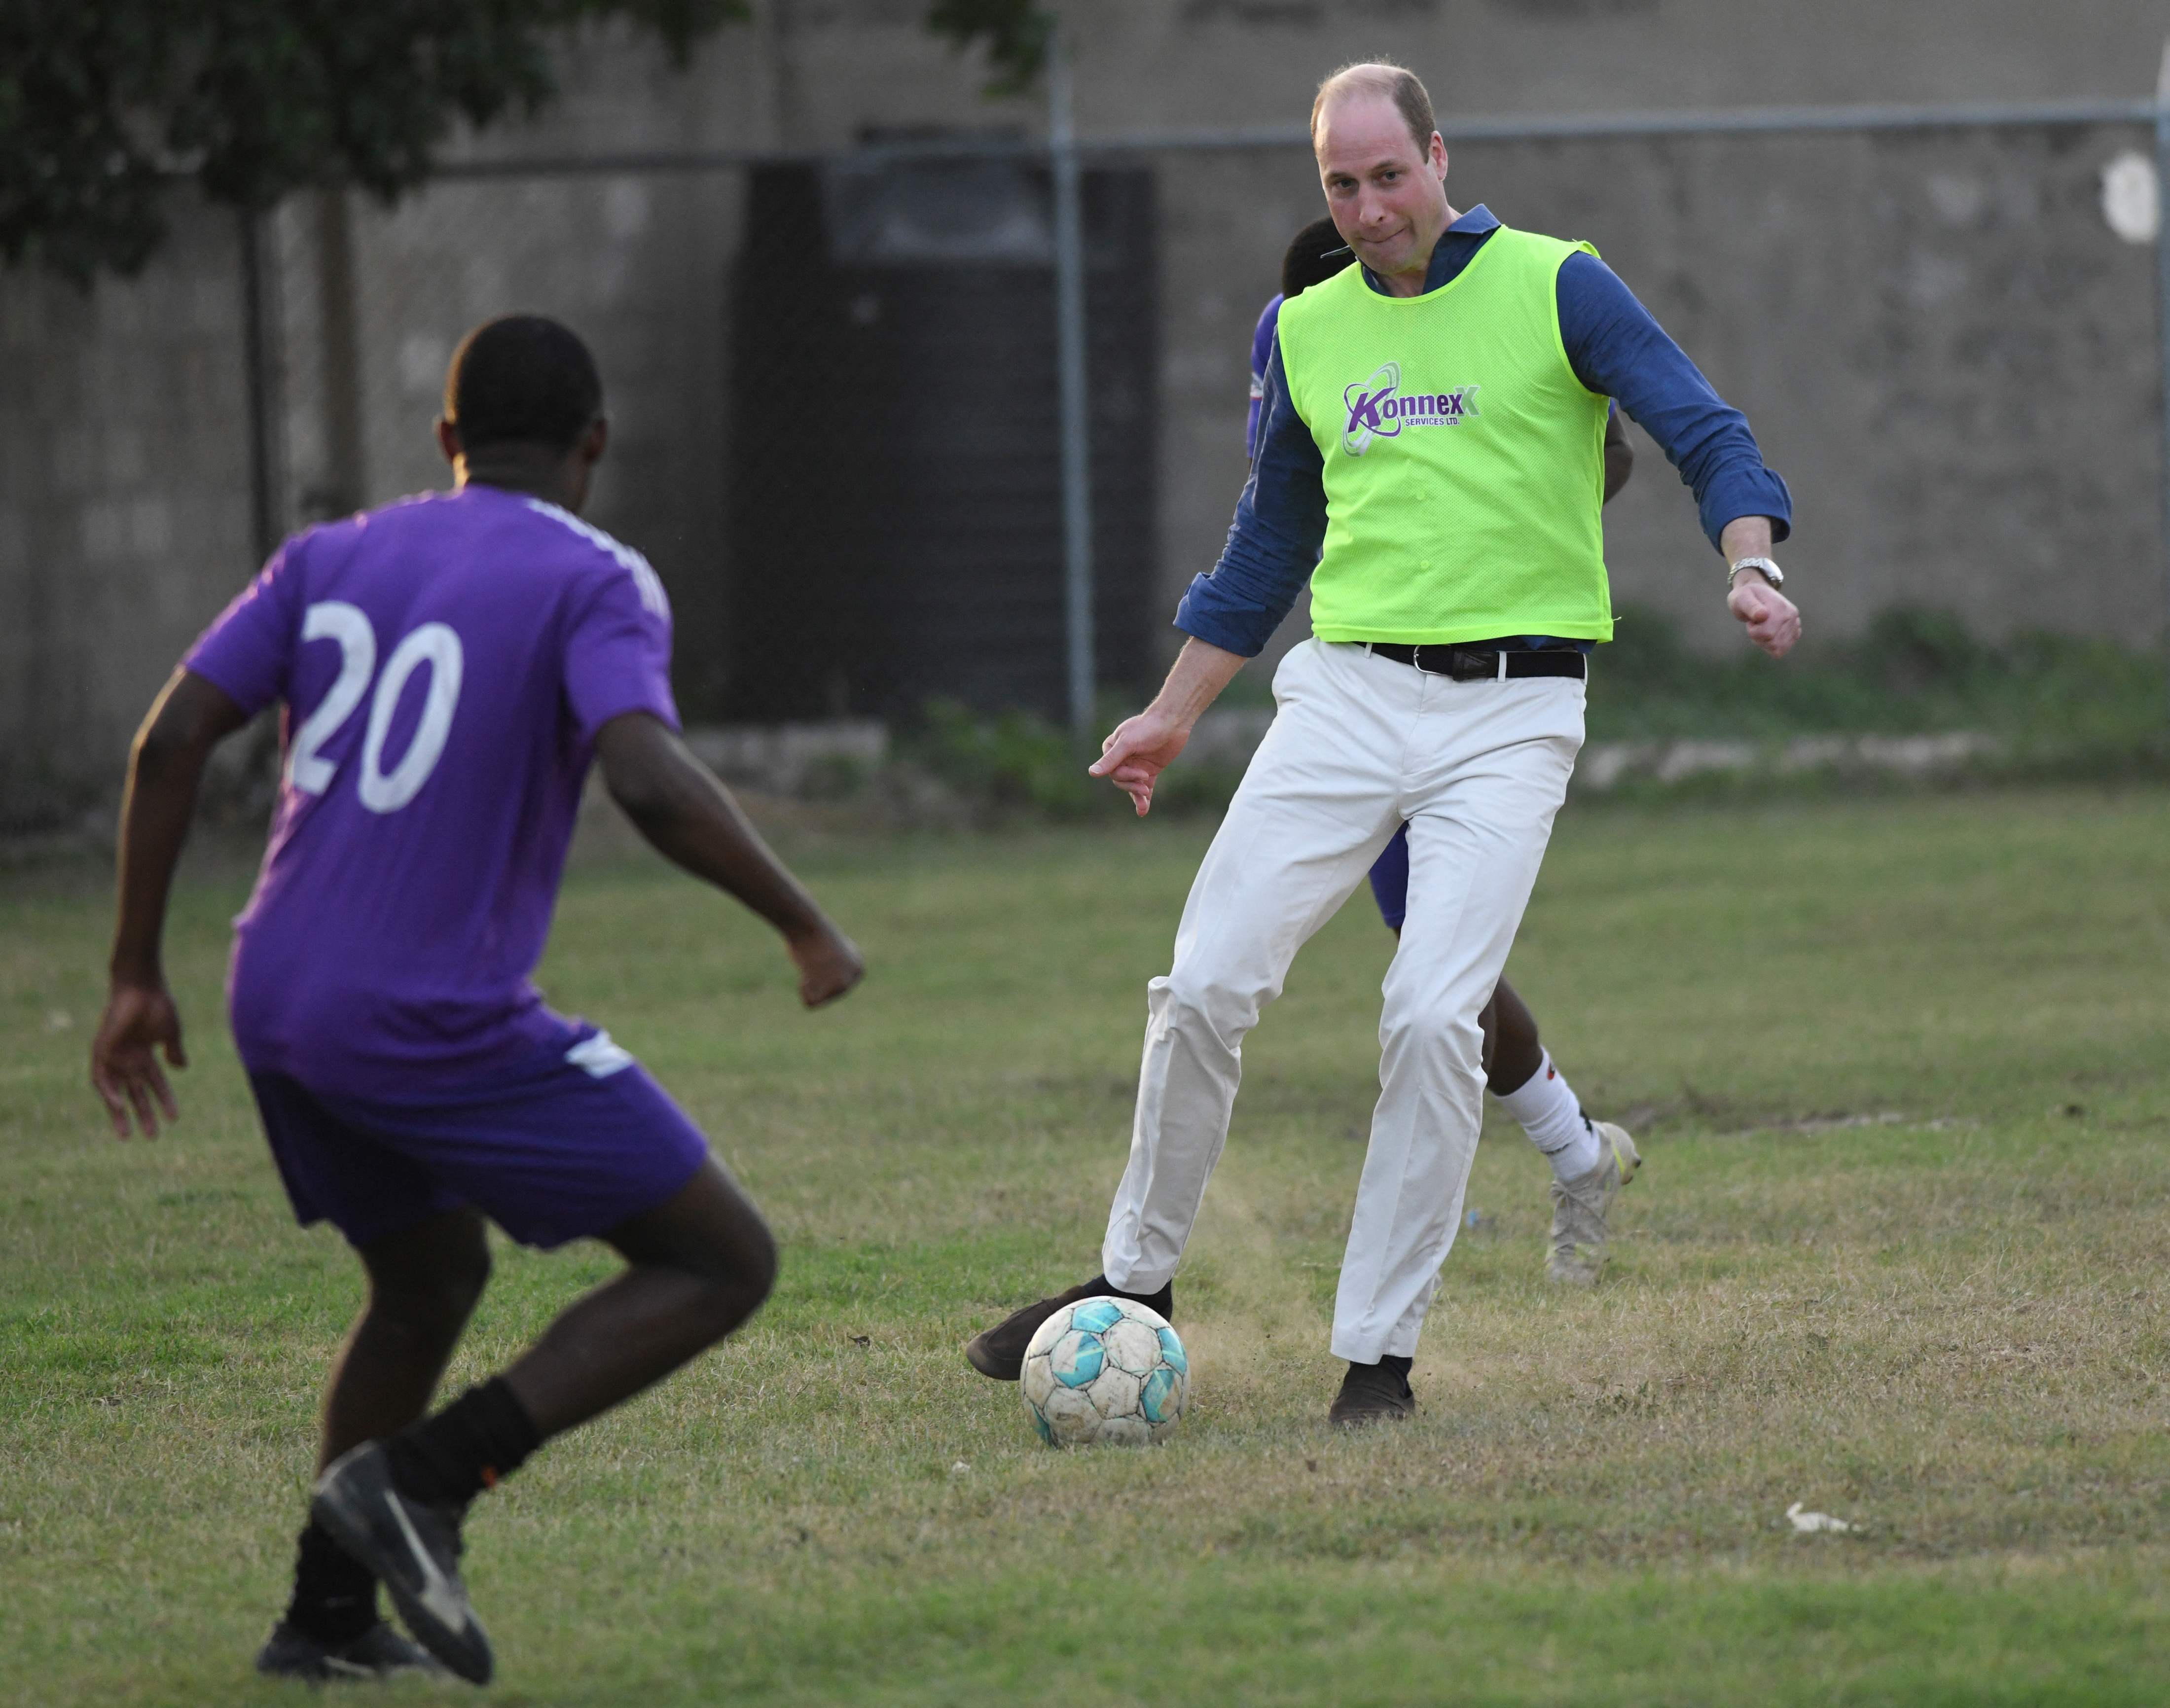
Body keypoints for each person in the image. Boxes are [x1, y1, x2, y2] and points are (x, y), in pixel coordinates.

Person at [966, 62, 1799, 1426]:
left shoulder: (1557, 282)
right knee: (1204, 982)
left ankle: (1378, 1362)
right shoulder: (1301, 331)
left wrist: (1750, 561)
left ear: (1438, 157)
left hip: (1513, 716)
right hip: (1345, 700)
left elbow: (1705, 429)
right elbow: (1268, 546)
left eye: (1387, 177)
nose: (1366, 210)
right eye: (1339, 187)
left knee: (1429, 1019)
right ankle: (1132, 1288)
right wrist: (1171, 714)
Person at [88, 316, 865, 1684]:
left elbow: (171, 743)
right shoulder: (596, 577)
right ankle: (430, 1482)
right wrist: (800, 920)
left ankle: (326, 1619)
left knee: (429, 1276)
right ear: (596, 448)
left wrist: (134, 971)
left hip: (275, 994)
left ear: (446, 443)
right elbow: (644, 775)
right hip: (425, 1013)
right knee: (722, 1260)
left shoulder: (330, 556)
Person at [1253, 216, 1640, 1286]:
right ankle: (1578, 1153)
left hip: (1497, 696)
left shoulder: (1503, 312)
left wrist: (1489, 512)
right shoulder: (1298, 327)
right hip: (1363, 687)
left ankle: (1567, 1159)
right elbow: (1280, 499)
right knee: (1417, 966)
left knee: (1441, 982)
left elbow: (1602, 458)